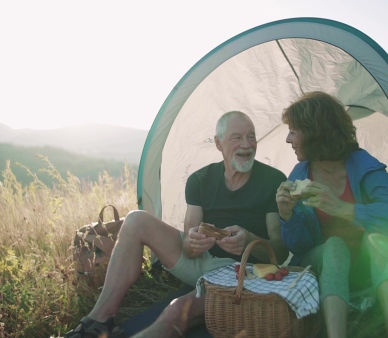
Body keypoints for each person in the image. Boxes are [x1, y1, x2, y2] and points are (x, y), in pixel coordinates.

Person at [66, 111, 288, 338]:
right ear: (218, 144)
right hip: (201, 261)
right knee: (135, 219)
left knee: (175, 312)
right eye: (237, 138)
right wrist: (193, 243)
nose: (246, 145)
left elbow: (279, 253)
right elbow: (188, 249)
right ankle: (99, 319)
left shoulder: (272, 180)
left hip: (238, 273)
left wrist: (249, 241)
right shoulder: (200, 180)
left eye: (251, 137)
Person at [275, 91, 388, 338]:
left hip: (366, 265)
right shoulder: (299, 175)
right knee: (334, 246)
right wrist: (287, 216)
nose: (288, 139)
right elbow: (299, 247)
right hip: (325, 266)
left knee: (380, 239)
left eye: (293, 131)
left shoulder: (361, 164)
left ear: (315, 131)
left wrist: (344, 209)